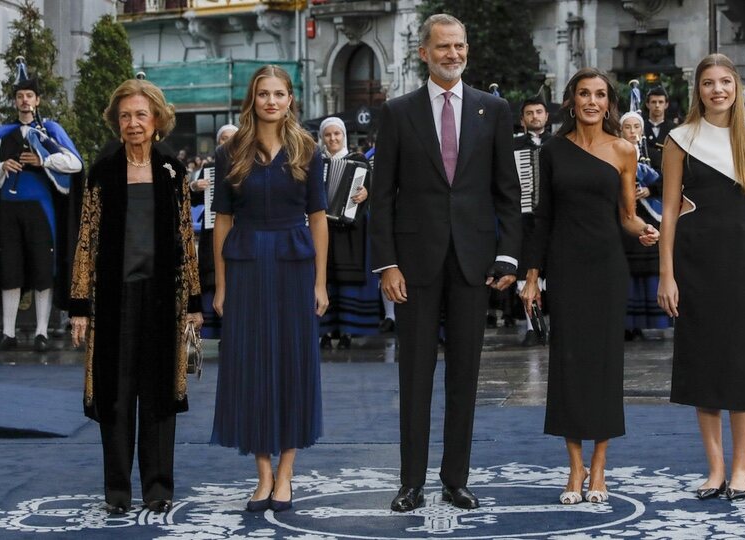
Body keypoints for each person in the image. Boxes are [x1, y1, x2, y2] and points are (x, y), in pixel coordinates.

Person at [370, 14, 522, 512]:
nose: (452, 54)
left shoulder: (494, 109)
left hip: (474, 263)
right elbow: (383, 197)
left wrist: (507, 255)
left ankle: (456, 478)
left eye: (459, 46)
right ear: (424, 53)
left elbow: (508, 192)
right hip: (413, 265)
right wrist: (387, 264)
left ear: (467, 50)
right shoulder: (397, 112)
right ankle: (410, 481)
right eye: (443, 47)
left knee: (465, 375)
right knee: (413, 376)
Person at [520, 68, 658, 505]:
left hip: (606, 269)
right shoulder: (553, 151)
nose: (592, 101)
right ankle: (574, 468)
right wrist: (532, 276)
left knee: (603, 366)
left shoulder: (624, 149)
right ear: (572, 100)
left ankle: (599, 468)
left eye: (600, 94)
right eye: (584, 94)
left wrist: (645, 231)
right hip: (566, 267)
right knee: (568, 364)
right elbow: (542, 218)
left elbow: (627, 215)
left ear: (609, 103)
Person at [69, 78, 202, 515]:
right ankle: (117, 492)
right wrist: (80, 306)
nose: (133, 123)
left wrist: (193, 303)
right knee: (116, 395)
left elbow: (186, 236)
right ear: (116, 121)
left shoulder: (171, 168)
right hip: (113, 300)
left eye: (141, 115)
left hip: (163, 298)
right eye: (125, 116)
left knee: (160, 394)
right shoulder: (104, 167)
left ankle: (159, 487)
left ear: (157, 120)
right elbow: (86, 236)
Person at [657, 53, 745, 502]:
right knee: (702, 364)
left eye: (725, 81)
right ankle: (714, 470)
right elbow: (669, 210)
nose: (717, 90)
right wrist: (667, 274)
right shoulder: (679, 138)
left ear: (737, 86)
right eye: (708, 82)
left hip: (743, 260)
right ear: (698, 89)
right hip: (694, 262)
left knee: (740, 365)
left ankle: (742, 468)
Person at [209, 65, 329, 514]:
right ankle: (262, 475)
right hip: (244, 266)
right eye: (264, 94)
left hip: (294, 265)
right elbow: (221, 221)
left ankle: (286, 473)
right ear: (252, 99)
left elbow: (319, 220)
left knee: (293, 364)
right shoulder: (230, 152)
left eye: (279, 93)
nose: (272, 101)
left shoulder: (307, 149)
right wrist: (220, 285)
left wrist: (320, 282)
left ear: (290, 99)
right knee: (250, 366)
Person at [0, 58, 82, 353]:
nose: (24, 101)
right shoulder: (3, 134)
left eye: (29, 96)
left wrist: (43, 160)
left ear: (37, 100)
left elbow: (74, 163)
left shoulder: (50, 131)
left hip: (40, 210)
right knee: (10, 270)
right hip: (9, 210)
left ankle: (42, 333)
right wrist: (2, 167)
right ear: (14, 101)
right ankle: (7, 333)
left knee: (43, 270)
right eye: (20, 96)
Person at [317, 116, 380, 349]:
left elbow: (371, 189)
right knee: (325, 278)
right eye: (328, 134)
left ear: (344, 136)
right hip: (323, 230)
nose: (333, 138)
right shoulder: (317, 162)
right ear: (323, 138)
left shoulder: (359, 161)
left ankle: (347, 332)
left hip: (352, 231)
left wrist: (366, 193)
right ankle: (324, 331)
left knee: (347, 280)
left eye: (337, 134)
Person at [619, 111, 669, 339]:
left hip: (649, 220)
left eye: (635, 127)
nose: (632, 132)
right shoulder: (615, 152)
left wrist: (651, 190)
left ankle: (653, 319)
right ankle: (629, 324)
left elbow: (669, 180)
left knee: (650, 270)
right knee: (628, 272)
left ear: (642, 130)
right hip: (625, 221)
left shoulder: (655, 154)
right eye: (627, 127)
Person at [189, 124, 238, 339]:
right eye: (223, 139)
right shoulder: (208, 169)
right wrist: (194, 186)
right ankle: (218, 330)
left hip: (241, 232)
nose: (227, 142)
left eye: (232, 138)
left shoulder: (250, 164)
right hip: (214, 233)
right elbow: (192, 199)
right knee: (212, 279)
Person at [514, 95, 552, 346]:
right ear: (523, 119)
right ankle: (532, 327)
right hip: (525, 217)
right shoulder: (514, 147)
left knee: (552, 270)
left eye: (539, 112)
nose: (535, 116)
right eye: (530, 113)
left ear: (547, 116)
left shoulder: (557, 143)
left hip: (553, 218)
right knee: (525, 269)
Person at [642, 86, 672, 172]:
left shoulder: (674, 129)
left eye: (661, 102)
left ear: (666, 105)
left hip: (667, 174)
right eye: (654, 102)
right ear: (648, 104)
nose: (657, 105)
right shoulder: (640, 127)